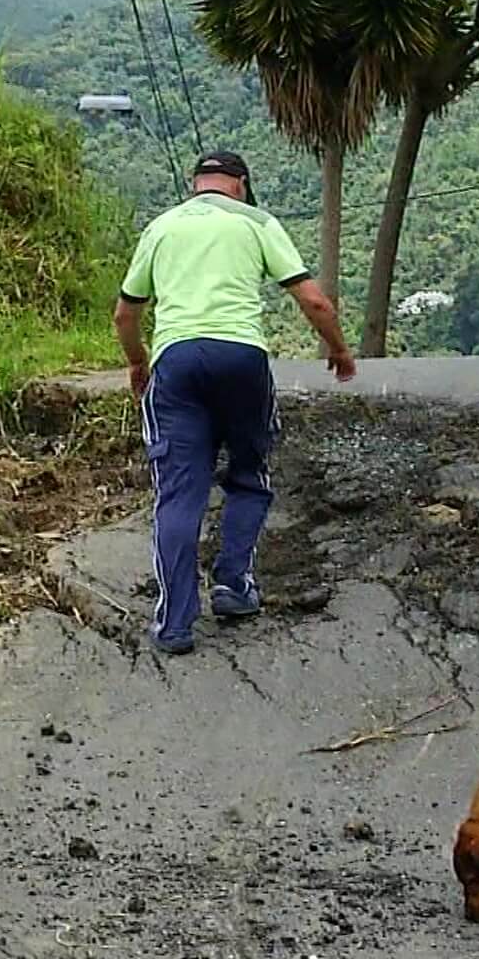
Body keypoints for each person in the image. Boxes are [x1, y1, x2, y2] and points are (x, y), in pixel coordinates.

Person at [112, 152, 357, 655]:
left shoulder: (162, 227)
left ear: (195, 185)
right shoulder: (257, 222)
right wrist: (339, 349)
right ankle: (234, 586)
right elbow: (315, 302)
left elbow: (125, 314)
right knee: (248, 474)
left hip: (176, 363)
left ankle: (176, 624)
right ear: (240, 185)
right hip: (243, 359)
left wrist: (138, 362)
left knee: (179, 494)